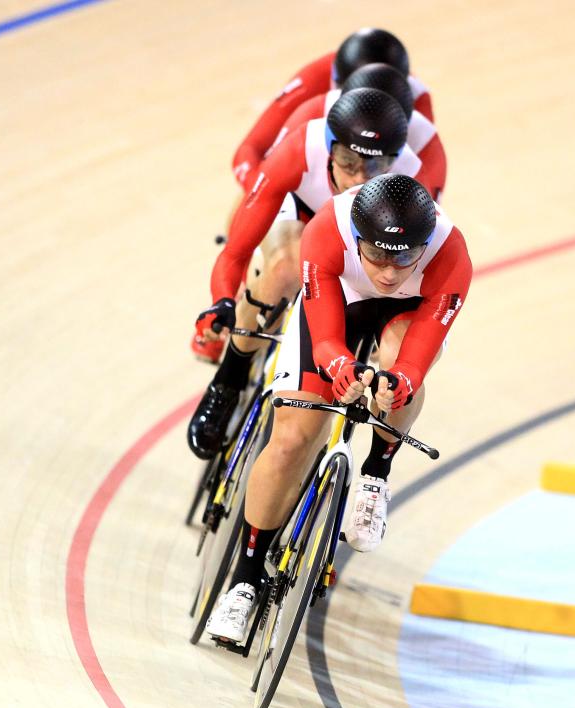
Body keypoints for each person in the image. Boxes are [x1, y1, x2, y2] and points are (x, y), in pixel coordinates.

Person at [205, 174, 472, 642]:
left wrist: (400, 383)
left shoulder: (450, 255)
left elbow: (417, 356)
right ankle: (243, 581)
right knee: (291, 440)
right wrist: (342, 369)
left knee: (398, 369)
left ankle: (375, 473)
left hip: (403, 318)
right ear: (358, 238)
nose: (389, 274)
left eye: (405, 257)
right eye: (377, 257)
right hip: (336, 307)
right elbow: (325, 338)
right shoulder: (329, 228)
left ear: (425, 244)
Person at [187, 88, 422, 456]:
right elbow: (236, 252)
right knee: (282, 269)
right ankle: (229, 378)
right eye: (347, 161)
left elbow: (415, 261)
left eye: (375, 167)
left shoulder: (411, 173)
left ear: (394, 160)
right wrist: (222, 302)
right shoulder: (301, 148)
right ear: (328, 149)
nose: (360, 177)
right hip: (302, 212)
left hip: (360, 245)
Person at [231, 28, 433, 191]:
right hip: (313, 175)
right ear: (335, 83)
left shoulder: (417, 100)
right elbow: (250, 150)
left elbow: (423, 181)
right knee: (267, 175)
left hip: (366, 191)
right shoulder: (311, 81)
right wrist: (258, 192)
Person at [280, 62, 447, 199]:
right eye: (347, 159)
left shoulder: (422, 147)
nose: (360, 179)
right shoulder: (311, 126)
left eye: (378, 162)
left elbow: (427, 228)